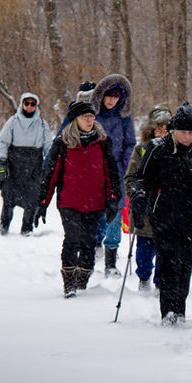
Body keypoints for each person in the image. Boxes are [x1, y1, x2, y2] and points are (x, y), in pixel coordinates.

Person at [130, 102, 192, 325]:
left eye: (191, 132)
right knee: (168, 261)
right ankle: (168, 311)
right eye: (182, 132)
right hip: (164, 215)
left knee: (184, 263)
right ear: (174, 131)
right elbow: (140, 177)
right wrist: (139, 197)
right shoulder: (158, 149)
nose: (187, 137)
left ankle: (179, 306)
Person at [38, 99, 122, 297]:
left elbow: (111, 173)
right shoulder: (62, 143)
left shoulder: (103, 142)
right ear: (75, 119)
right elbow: (50, 175)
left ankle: (82, 282)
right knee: (72, 239)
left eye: (92, 116)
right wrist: (43, 201)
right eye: (85, 116)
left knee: (88, 242)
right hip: (70, 202)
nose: (90, 120)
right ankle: (69, 284)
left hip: (95, 202)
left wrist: (113, 199)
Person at [88, 74, 136, 277]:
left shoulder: (124, 119)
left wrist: (127, 159)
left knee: (115, 215)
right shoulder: (92, 115)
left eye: (116, 97)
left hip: (116, 171)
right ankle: (88, 254)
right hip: (93, 170)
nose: (112, 100)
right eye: (109, 95)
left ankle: (110, 261)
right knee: (92, 212)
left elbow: (131, 142)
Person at [124, 105, 171, 292]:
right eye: (158, 128)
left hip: (166, 212)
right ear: (151, 130)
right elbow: (130, 177)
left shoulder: (175, 150)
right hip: (144, 212)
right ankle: (143, 278)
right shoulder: (141, 149)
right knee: (143, 252)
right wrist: (136, 196)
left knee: (164, 252)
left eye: (166, 128)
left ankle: (160, 282)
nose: (162, 132)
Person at [0, 93, 52, 235]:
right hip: (15, 163)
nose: (29, 106)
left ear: (36, 106)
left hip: (34, 165)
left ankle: (27, 227)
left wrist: (49, 163)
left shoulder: (42, 124)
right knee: (8, 197)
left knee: (32, 198)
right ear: (22, 104)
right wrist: (2, 160)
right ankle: (4, 224)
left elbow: (48, 146)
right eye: (27, 103)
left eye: (33, 104)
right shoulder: (12, 122)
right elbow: (3, 142)